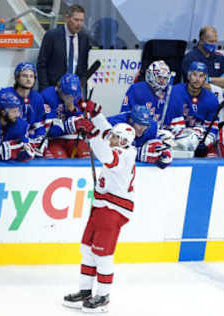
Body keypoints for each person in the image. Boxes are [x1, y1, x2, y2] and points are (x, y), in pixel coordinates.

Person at [63, 100, 136, 313]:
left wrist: (92, 133)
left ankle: (103, 296)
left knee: (103, 254)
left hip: (114, 210)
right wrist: (95, 113)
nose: (110, 138)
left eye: (114, 137)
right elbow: (104, 133)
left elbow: (105, 154)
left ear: (123, 141)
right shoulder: (118, 144)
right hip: (102, 206)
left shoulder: (124, 155)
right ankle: (85, 291)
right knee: (87, 249)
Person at [163, 61, 219, 153]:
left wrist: (205, 143)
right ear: (188, 76)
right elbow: (166, 123)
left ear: (205, 78)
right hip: (175, 138)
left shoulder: (212, 99)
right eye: (194, 75)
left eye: (201, 76)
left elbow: (212, 129)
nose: (197, 79)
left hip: (198, 140)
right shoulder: (174, 92)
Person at [0, 62, 47, 157]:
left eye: (31, 76)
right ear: (17, 78)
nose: (29, 79)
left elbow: (38, 125)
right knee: (20, 125)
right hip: (5, 139)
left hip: (27, 141)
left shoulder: (38, 98)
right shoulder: (4, 94)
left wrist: (42, 141)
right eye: (25, 76)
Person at [37, 4, 91, 92]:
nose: (79, 24)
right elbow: (42, 64)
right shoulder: (52, 36)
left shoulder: (84, 38)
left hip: (75, 90)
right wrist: (45, 89)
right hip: (54, 88)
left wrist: (81, 85)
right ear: (67, 18)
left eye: (81, 20)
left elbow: (83, 66)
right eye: (76, 20)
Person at [41, 73, 92, 158]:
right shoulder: (46, 95)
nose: (70, 97)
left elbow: (81, 120)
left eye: (73, 95)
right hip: (54, 140)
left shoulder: (76, 95)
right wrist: (71, 124)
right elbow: (51, 130)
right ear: (59, 88)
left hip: (73, 138)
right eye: (67, 94)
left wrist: (72, 110)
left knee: (85, 156)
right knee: (58, 159)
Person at [109, 104, 173, 169]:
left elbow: (158, 145)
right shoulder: (114, 124)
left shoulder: (152, 127)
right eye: (139, 125)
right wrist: (136, 154)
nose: (141, 130)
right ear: (131, 120)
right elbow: (106, 147)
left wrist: (163, 153)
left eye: (145, 125)